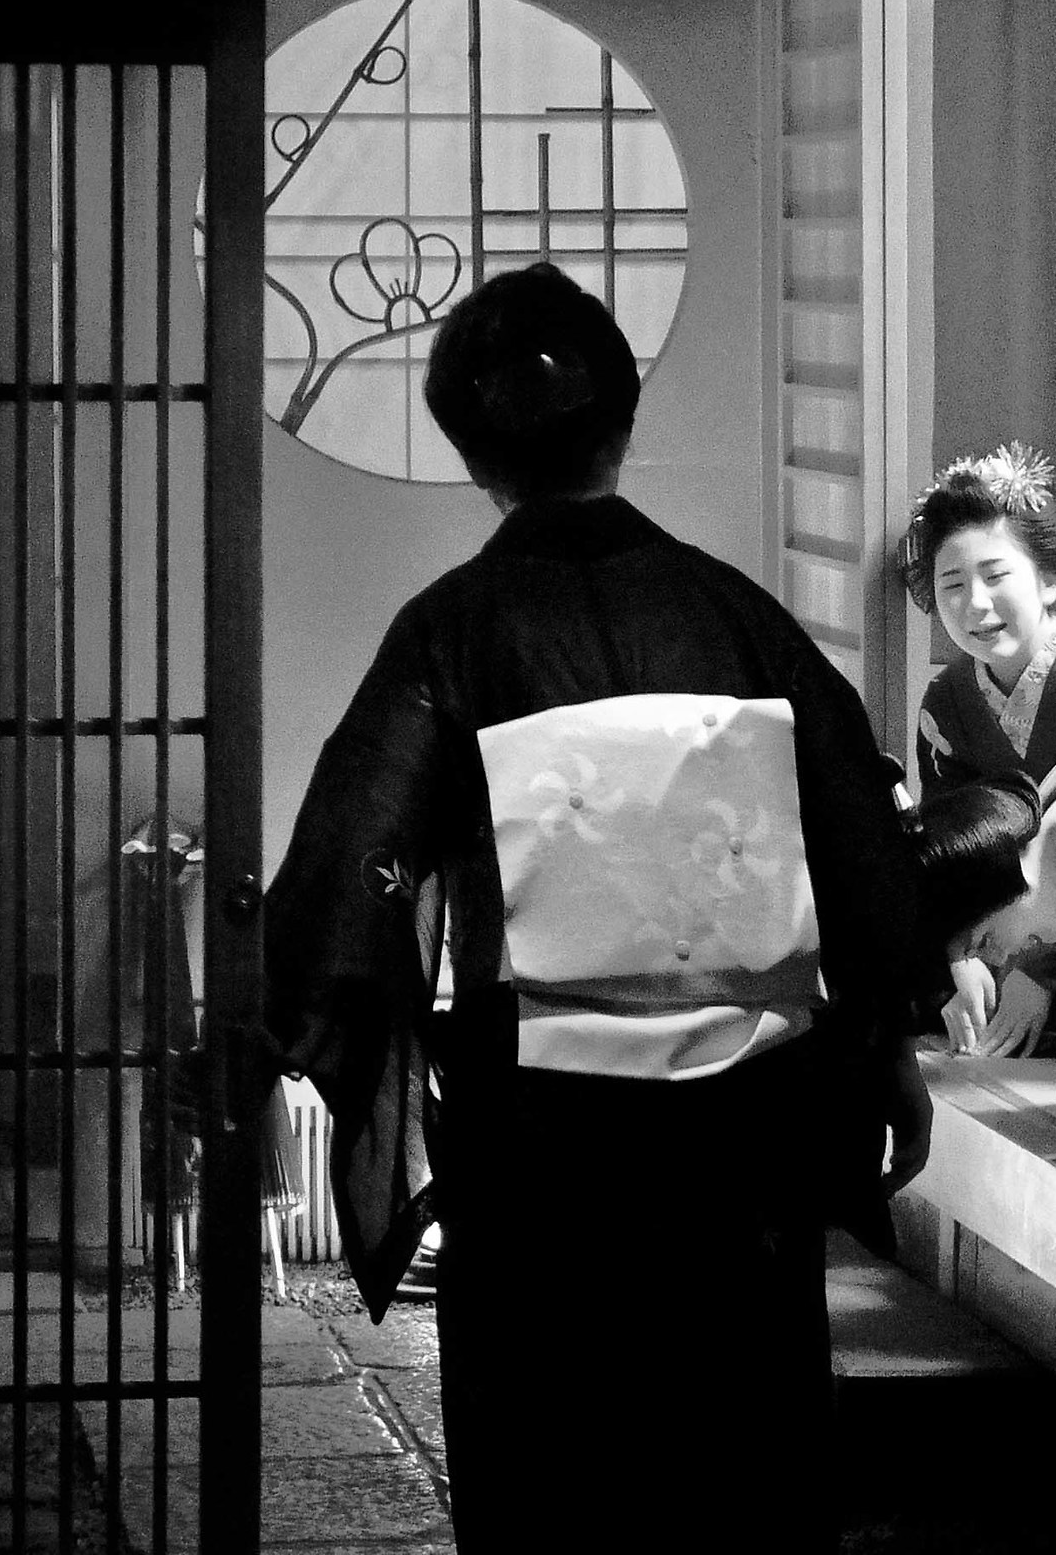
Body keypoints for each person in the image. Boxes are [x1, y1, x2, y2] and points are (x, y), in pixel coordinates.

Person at [261, 262, 936, 1553]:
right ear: (622, 422)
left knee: (557, 1457)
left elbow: (363, 855)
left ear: (473, 451)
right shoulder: (740, 619)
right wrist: (888, 1042)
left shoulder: (453, 632)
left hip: (546, 1129)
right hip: (742, 1122)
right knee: (737, 1456)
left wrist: (295, 1020)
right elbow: (857, 843)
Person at [898, 443, 1056, 1058]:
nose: (974, 603)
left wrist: (1039, 970)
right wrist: (954, 958)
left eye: (996, 576)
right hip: (986, 946)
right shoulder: (946, 701)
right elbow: (947, 849)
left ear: (1048, 581)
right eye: (952, 584)